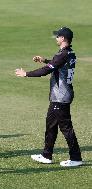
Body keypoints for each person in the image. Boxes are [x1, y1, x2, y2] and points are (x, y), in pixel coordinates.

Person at [15, 27, 83, 167]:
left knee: (66, 128)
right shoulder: (70, 53)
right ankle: (47, 155)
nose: (56, 38)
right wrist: (45, 60)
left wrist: (26, 74)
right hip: (61, 96)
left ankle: (76, 158)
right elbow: (56, 64)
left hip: (60, 97)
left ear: (63, 38)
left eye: (58, 36)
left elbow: (47, 70)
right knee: (51, 125)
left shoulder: (63, 55)